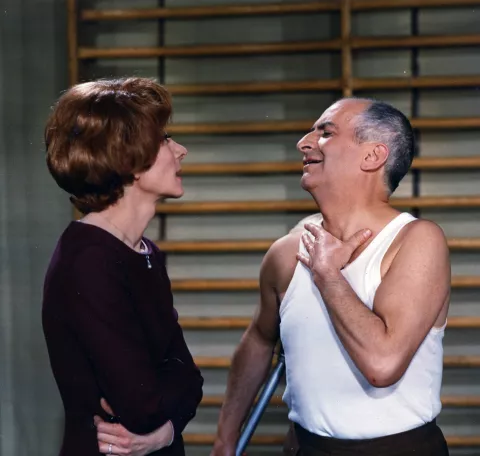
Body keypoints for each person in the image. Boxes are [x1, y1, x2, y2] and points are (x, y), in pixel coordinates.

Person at [211, 97, 451, 456]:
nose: (303, 143)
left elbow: (382, 365)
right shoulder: (286, 254)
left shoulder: (417, 240)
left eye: (325, 133)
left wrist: (328, 274)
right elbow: (259, 339)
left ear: (373, 156)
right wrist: (225, 438)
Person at [42, 77, 203, 456]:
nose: (181, 150)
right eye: (164, 139)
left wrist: (164, 433)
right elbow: (141, 406)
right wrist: (169, 409)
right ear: (127, 156)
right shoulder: (89, 260)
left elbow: (190, 381)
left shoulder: (145, 253)